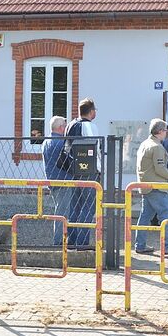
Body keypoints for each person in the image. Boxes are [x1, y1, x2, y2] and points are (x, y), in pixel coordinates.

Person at [134, 118, 168, 255]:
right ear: (160, 131)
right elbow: (160, 168)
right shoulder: (157, 147)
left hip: (146, 186)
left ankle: (140, 245)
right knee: (166, 215)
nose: (167, 132)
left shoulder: (145, 144)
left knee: (145, 217)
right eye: (165, 130)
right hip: (157, 187)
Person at [64, 98, 102, 248]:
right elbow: (95, 150)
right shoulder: (90, 127)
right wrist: (99, 170)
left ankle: (72, 240)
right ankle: (82, 242)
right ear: (91, 111)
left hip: (72, 170)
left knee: (75, 206)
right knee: (88, 207)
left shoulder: (71, 125)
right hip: (89, 171)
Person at [42, 116, 73, 245]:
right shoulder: (60, 143)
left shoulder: (47, 141)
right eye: (65, 126)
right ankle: (59, 242)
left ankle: (61, 240)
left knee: (61, 210)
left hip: (52, 180)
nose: (66, 128)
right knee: (63, 212)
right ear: (61, 128)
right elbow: (67, 162)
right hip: (63, 180)